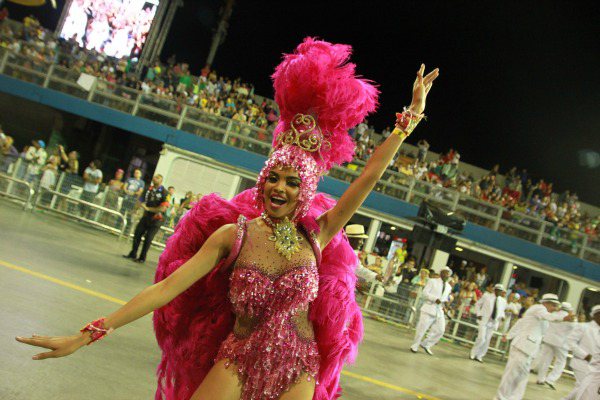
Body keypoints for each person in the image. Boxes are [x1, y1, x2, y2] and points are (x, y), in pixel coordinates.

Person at [15, 39, 439, 400]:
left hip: (299, 368)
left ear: (305, 190)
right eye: (273, 177)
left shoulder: (319, 233)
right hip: (237, 358)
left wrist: (409, 118)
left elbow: (369, 175)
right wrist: (87, 333)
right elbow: (163, 289)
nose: (280, 188)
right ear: (261, 179)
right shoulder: (231, 237)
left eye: (293, 182)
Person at [494, 293, 575, 400]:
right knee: (511, 375)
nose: (555, 309)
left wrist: (509, 335)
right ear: (546, 303)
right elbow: (548, 317)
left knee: (522, 378)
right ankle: (500, 398)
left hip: (529, 350)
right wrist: (564, 318)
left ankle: (514, 398)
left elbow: (521, 323)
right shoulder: (538, 308)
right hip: (522, 347)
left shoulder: (542, 314)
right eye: (554, 305)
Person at [123, 174, 169, 263]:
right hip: (146, 216)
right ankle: (133, 253)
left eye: (157, 178)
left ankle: (142, 258)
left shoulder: (164, 192)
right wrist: (135, 209)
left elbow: (163, 208)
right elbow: (140, 200)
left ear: (161, 181)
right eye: (154, 177)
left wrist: (148, 209)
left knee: (148, 238)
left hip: (157, 219)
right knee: (137, 233)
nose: (154, 178)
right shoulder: (148, 189)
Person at [410, 266, 452, 355]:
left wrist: (446, 306)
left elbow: (445, 299)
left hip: (439, 310)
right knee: (422, 329)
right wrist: (434, 298)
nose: (446, 275)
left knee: (441, 330)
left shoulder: (448, 287)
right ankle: (415, 345)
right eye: (445, 273)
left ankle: (426, 344)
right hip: (429, 308)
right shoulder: (432, 281)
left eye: (448, 274)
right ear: (441, 273)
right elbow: (424, 293)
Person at [534, 302, 575, 390]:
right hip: (561, 343)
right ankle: (551, 379)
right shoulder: (571, 318)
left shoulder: (554, 314)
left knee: (545, 360)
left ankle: (540, 379)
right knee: (561, 362)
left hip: (549, 339)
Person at [563, 305, 600, 400]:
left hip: (595, 366)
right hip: (581, 362)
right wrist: (585, 355)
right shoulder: (583, 327)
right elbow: (570, 341)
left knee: (584, 387)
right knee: (583, 386)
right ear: (595, 315)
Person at [470, 284, 506, 362]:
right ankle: (473, 353)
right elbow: (477, 304)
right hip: (484, 320)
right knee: (481, 338)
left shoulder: (503, 301)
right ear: (494, 290)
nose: (498, 292)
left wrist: (502, 316)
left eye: (500, 291)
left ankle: (480, 356)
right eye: (497, 290)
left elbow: (501, 310)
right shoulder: (487, 296)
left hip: (493, 322)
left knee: (487, 340)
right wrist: (478, 314)